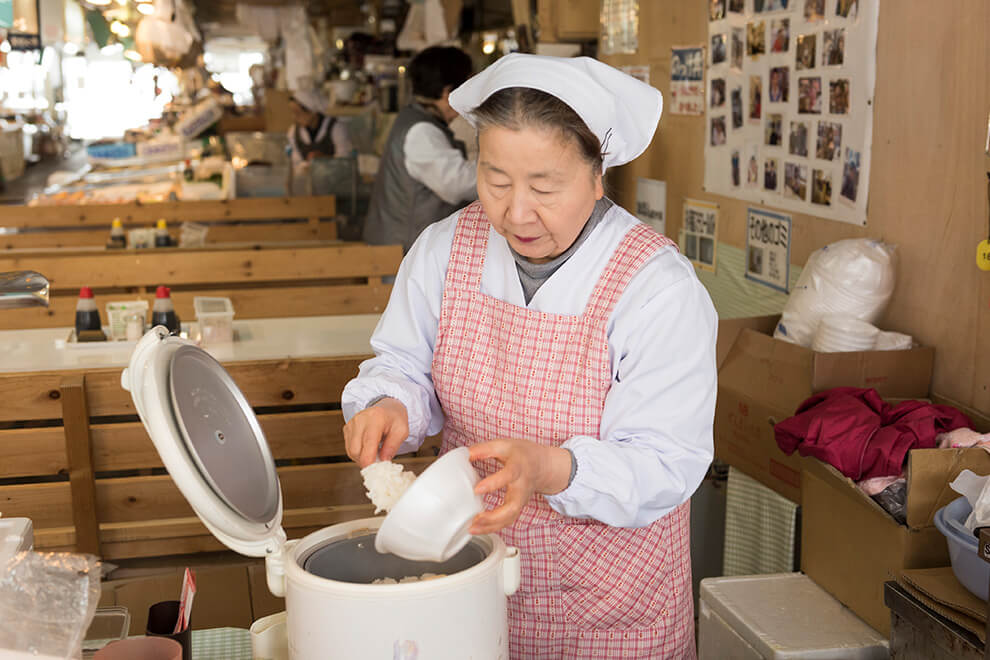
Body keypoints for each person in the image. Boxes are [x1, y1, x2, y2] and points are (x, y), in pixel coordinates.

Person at [342, 54, 716, 658]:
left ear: (598, 177)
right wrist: (392, 401)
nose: (516, 212)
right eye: (495, 180)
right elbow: (404, 362)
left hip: (609, 599)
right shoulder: (443, 248)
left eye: (544, 186)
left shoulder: (655, 286)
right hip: (468, 568)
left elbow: (667, 460)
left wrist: (548, 469)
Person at [363, 46, 477, 253]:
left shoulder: (413, 119)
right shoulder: (421, 132)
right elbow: (457, 184)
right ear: (447, 92)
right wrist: (506, 171)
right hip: (399, 256)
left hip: (401, 249)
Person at [287, 90, 353, 166]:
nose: (294, 117)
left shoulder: (336, 128)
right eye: (293, 112)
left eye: (298, 112)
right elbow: (296, 163)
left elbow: (345, 160)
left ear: (313, 111)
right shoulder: (293, 132)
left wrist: (323, 158)